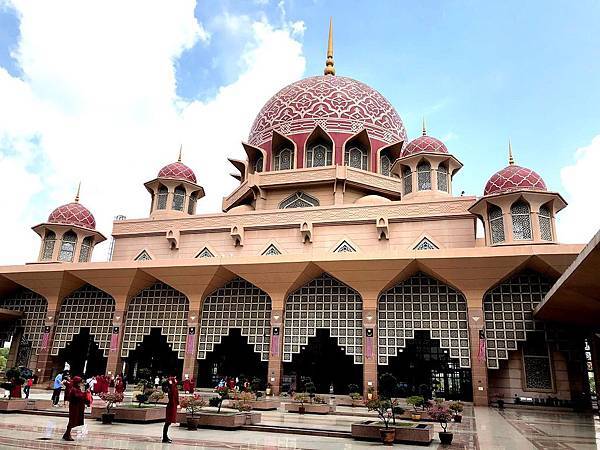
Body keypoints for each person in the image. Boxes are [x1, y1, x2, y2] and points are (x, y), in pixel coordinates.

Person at [62, 376, 90, 441]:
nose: (81, 384)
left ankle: (66, 434)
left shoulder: (77, 389)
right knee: (72, 420)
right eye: (80, 382)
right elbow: (78, 396)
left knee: (73, 420)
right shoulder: (73, 389)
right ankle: (67, 434)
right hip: (74, 407)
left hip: (77, 407)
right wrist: (85, 394)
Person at [163, 376, 179, 444]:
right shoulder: (171, 389)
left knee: (168, 422)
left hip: (172, 406)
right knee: (167, 422)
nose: (176, 380)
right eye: (174, 379)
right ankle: (164, 437)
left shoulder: (174, 388)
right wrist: (170, 381)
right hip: (171, 406)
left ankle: (165, 437)